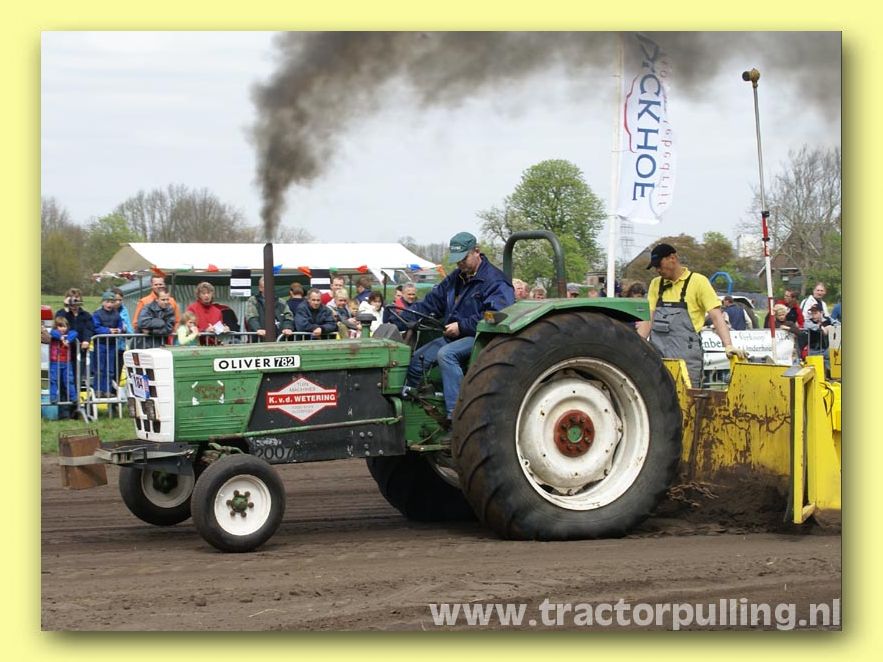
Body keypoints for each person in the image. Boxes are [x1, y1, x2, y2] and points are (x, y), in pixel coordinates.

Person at [403, 231, 514, 421]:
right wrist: (404, 316)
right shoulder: (456, 277)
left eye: (463, 259)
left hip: (481, 337)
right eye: (457, 260)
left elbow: (495, 316)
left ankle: (457, 415)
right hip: (453, 335)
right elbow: (432, 301)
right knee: (416, 361)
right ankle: (409, 407)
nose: (459, 264)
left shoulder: (495, 281)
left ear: (476, 251)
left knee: (446, 355)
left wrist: (462, 326)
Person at [637, 243, 745, 388]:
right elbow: (648, 319)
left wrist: (728, 345)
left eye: (659, 265)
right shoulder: (656, 284)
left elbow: (716, 316)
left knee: (688, 397)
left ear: (672, 258)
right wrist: (637, 344)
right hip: (659, 357)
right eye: (655, 267)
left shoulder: (698, 282)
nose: (657, 270)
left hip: (687, 358)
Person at [56, 288, 93, 392]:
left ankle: (75, 399)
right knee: (64, 376)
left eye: (76, 298)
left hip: (80, 350)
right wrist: (66, 308)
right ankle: (64, 400)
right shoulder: (62, 313)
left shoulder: (86, 315)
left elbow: (89, 328)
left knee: (77, 376)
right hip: (65, 350)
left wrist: (86, 340)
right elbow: (59, 323)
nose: (74, 301)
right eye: (71, 298)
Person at [91, 290, 125, 396]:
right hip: (100, 344)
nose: (109, 304)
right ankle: (98, 389)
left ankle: (107, 390)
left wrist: (119, 330)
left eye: (112, 302)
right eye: (107, 302)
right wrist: (108, 331)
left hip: (112, 345)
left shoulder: (116, 315)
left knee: (110, 369)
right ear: (103, 302)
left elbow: (121, 325)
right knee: (99, 368)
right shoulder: (97, 314)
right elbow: (95, 327)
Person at [47, 315, 78, 418]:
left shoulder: (69, 334)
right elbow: (53, 332)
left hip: (66, 362)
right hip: (55, 362)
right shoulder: (54, 334)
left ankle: (73, 397)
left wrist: (67, 340)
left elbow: (75, 333)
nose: (62, 329)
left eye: (64, 326)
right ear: (56, 326)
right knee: (54, 380)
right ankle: (53, 397)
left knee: (69, 380)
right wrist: (61, 338)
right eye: (60, 326)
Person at [804, 303, 833, 372]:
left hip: (826, 350)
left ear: (821, 312)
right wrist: (821, 327)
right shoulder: (809, 321)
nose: (813, 315)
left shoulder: (828, 320)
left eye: (815, 313)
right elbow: (809, 326)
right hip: (813, 350)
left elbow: (837, 324)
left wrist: (830, 327)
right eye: (812, 313)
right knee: (814, 370)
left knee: (829, 370)